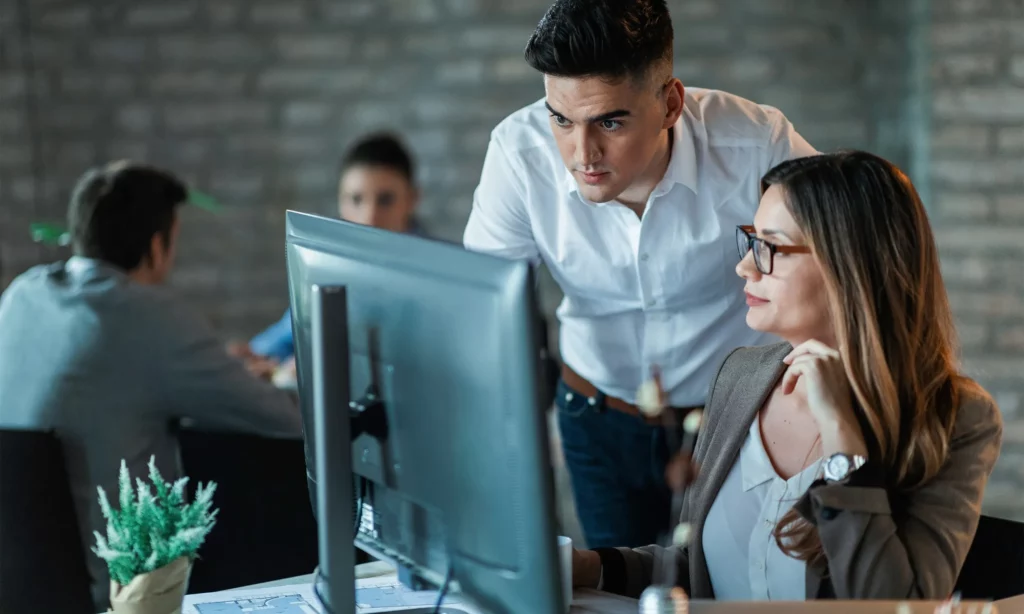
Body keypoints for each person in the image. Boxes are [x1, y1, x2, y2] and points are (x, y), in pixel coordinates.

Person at [571, 151, 1004, 600]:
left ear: (848, 263)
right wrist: (591, 567)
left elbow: (901, 603)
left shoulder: (956, 418)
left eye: (770, 247)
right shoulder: (741, 376)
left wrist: (842, 439)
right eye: (751, 240)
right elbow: (701, 570)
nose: (745, 266)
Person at [463, 0, 816, 548]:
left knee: (728, 582)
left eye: (610, 121)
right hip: (595, 415)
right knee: (613, 583)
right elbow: (481, 312)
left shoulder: (757, 144)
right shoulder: (517, 154)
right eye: (561, 120)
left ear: (670, 103)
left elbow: (842, 263)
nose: (582, 154)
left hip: (736, 420)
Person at [0, 162, 303, 610]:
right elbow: (286, 420)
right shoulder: (148, 316)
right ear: (157, 245)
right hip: (120, 594)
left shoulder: (22, 295)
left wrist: (218, 365)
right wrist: (282, 379)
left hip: (18, 585)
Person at [237, 133, 426, 367]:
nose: (370, 217)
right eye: (356, 200)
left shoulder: (437, 274)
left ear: (412, 199)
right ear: (340, 202)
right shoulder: (330, 268)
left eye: (385, 200)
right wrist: (255, 358)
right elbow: (287, 335)